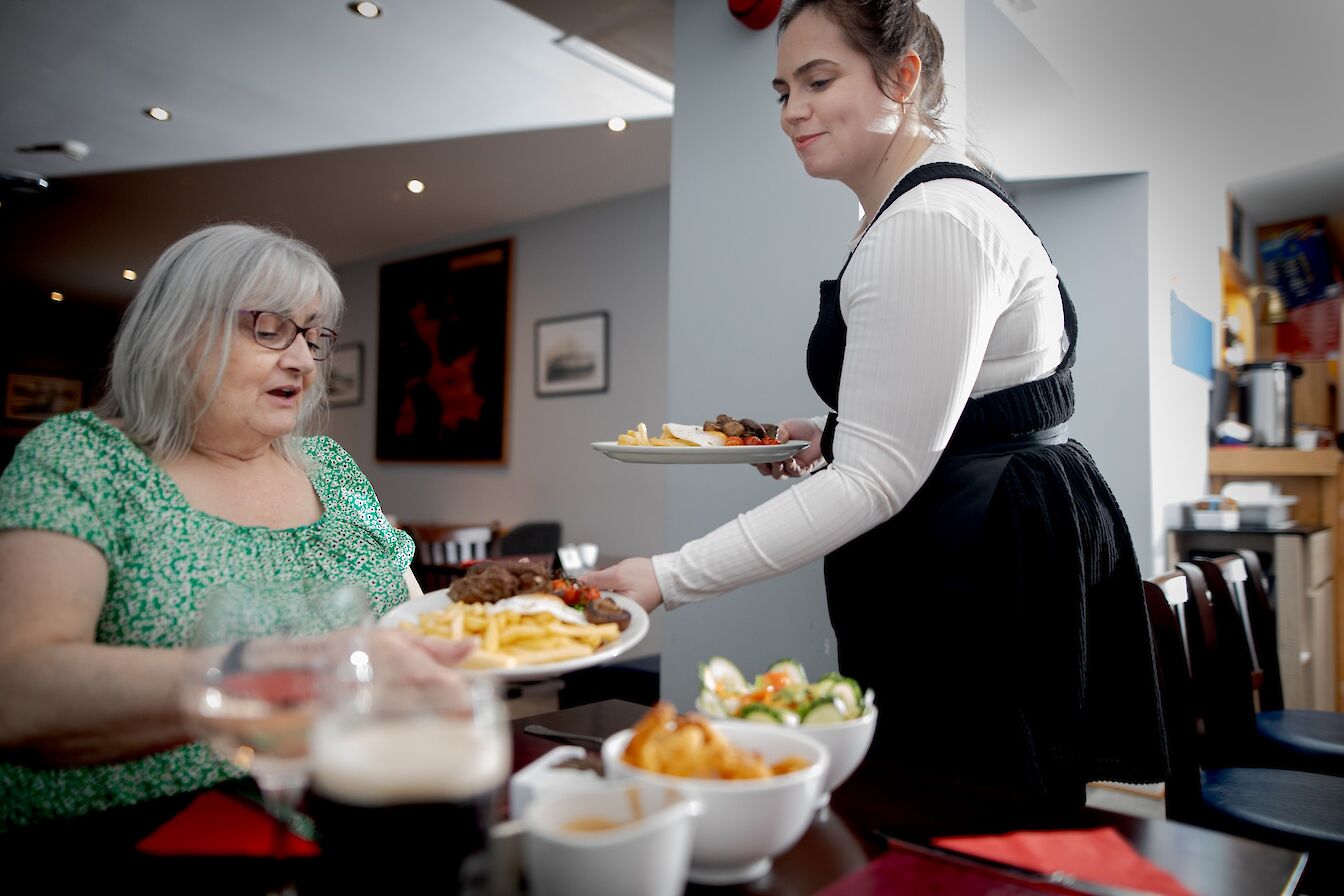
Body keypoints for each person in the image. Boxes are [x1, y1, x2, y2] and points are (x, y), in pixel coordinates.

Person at [585, 0, 1165, 807]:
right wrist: (830, 432)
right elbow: (951, 408)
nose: (792, 112)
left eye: (819, 81)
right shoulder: (909, 212)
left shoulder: (930, 220)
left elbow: (876, 480)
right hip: (986, 527)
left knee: (963, 811)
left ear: (904, 75)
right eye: (783, 89)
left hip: (977, 558)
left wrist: (665, 575)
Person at [0, 223, 471, 831]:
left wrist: (547, 610)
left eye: (313, 334)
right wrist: (301, 671)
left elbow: (416, 620)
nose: (302, 359)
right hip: (123, 831)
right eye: (268, 328)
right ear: (179, 332)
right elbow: (18, 692)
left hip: (346, 804)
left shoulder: (331, 468)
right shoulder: (80, 459)